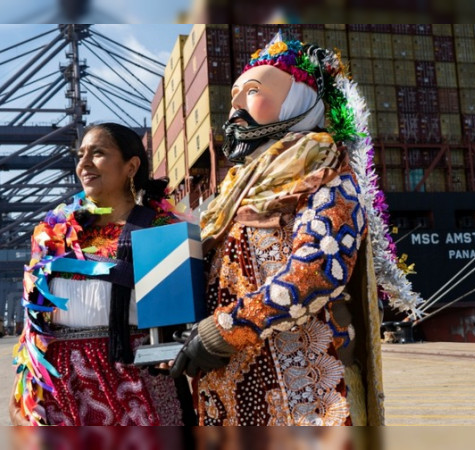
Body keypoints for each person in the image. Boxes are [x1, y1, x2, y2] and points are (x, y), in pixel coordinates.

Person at [170, 34, 424, 425]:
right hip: (230, 388)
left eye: (252, 91)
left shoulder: (325, 177)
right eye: (235, 94)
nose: (235, 104)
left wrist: (230, 328)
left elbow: (319, 269)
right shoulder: (234, 191)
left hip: (304, 395)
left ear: (298, 101)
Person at [10, 122, 191, 426]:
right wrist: (23, 391)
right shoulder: (52, 234)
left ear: (131, 166)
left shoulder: (161, 228)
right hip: (61, 385)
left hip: (136, 381)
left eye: (98, 153)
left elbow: (179, 322)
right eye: (81, 155)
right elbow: (34, 326)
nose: (84, 164)